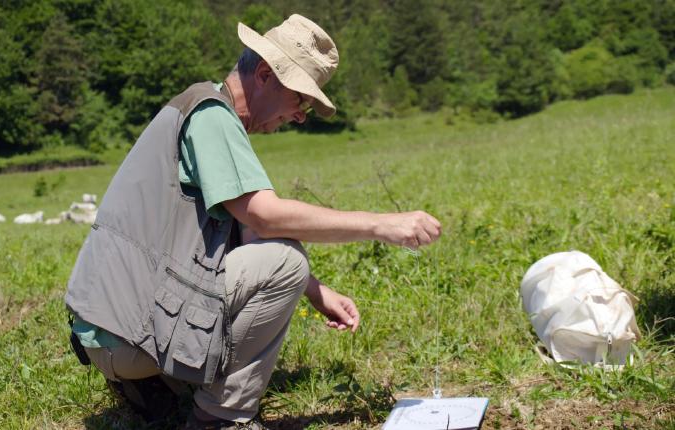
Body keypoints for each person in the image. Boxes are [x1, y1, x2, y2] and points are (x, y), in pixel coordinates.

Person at [65, 14, 441, 430]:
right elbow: (263, 214)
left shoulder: (204, 109)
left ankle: (162, 385)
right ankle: (221, 418)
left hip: (111, 326)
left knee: (285, 263)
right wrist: (381, 225)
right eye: (301, 100)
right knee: (287, 262)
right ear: (265, 75)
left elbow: (249, 233)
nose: (301, 116)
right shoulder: (211, 115)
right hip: (126, 331)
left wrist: (316, 293)